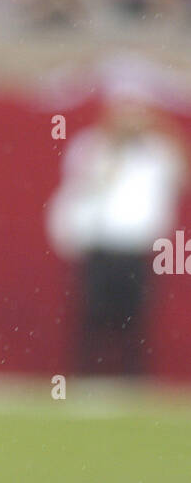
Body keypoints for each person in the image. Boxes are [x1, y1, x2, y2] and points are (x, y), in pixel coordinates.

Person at [46, 92, 188, 377]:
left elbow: (181, 173)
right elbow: (83, 184)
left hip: (136, 250)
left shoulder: (157, 152)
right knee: (94, 316)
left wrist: (160, 128)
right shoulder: (92, 146)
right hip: (100, 247)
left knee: (135, 318)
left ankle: (132, 378)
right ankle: (87, 375)